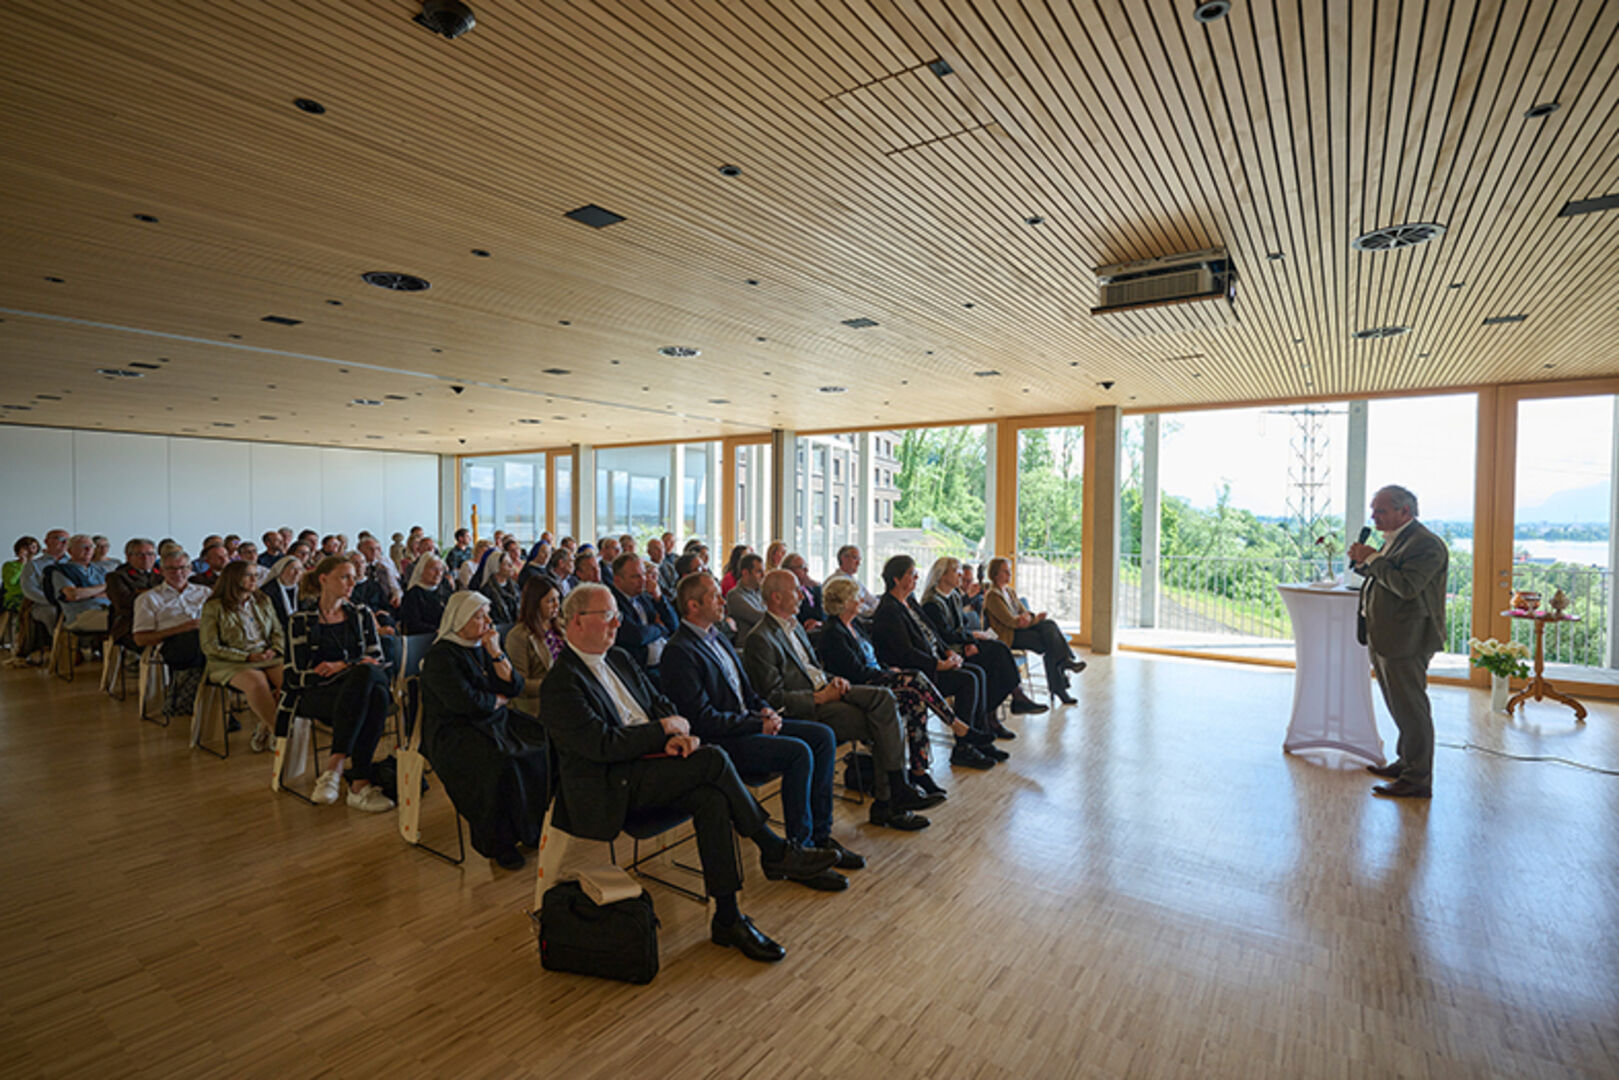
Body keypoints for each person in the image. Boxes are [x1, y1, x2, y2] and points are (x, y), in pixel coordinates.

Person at [540, 582, 837, 962]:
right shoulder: (561, 683)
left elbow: (660, 701)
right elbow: (602, 745)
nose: (617, 624)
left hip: (652, 766)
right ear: (577, 622)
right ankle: (773, 847)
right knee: (712, 760)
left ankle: (728, 918)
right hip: (611, 785)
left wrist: (675, 731)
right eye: (608, 616)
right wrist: (661, 733)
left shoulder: (619, 659)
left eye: (617, 614)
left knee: (711, 798)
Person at [662, 573, 859, 888]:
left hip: (747, 724)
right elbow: (702, 720)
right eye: (715, 596)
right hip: (723, 741)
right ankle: (800, 850)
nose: (723, 600)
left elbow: (747, 691)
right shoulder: (679, 651)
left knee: (822, 737)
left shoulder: (718, 636)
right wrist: (757, 722)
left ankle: (821, 837)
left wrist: (765, 708)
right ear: (693, 605)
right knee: (798, 752)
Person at [743, 569, 934, 829]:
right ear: (776, 597)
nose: (803, 594)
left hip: (827, 689)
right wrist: (819, 697)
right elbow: (772, 697)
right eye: (795, 590)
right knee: (883, 720)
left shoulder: (795, 626)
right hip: (811, 706)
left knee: (886, 700)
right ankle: (889, 802)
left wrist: (834, 679)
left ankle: (895, 793)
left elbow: (814, 669)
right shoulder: (760, 638)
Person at [420, 591, 549, 870]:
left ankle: (530, 828)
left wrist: (496, 652)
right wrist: (495, 701)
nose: (488, 621)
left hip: (493, 721)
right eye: (480, 616)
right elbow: (464, 702)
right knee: (498, 763)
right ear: (460, 619)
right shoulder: (441, 656)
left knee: (541, 742)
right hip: (453, 730)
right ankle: (499, 843)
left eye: (487, 614)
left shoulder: (484, 646)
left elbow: (514, 687)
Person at [820, 576, 992, 784]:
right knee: (916, 678)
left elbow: (874, 659)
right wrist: (888, 674)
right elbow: (856, 672)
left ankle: (919, 771)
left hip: (877, 678)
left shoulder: (854, 625)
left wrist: (887, 670)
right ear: (845, 602)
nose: (861, 601)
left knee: (915, 700)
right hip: (861, 688)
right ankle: (958, 727)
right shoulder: (833, 633)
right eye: (857, 598)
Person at [1348, 485, 1449, 799]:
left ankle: (1418, 779)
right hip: (1386, 633)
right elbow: (1386, 577)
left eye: (1381, 510)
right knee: (1398, 706)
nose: (1374, 516)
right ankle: (1406, 762)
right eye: (1373, 510)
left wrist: (1374, 559)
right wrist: (1366, 563)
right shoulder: (1396, 539)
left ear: (1405, 511)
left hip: (1408, 637)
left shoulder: (1427, 544)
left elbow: (1407, 586)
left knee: (1412, 709)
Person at [277, 556, 393, 810]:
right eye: (344, 577)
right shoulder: (300, 620)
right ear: (323, 579)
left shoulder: (361, 614)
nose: (352, 582)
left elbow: (377, 659)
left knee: (367, 682)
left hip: (352, 693)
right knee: (375, 693)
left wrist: (343, 667)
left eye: (353, 577)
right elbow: (294, 676)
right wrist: (351, 669)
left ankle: (335, 767)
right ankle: (358, 784)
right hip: (318, 695)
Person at [871, 554, 1010, 762]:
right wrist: (938, 664)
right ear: (896, 579)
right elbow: (905, 652)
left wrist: (947, 652)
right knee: (969, 679)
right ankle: (963, 748)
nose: (916, 577)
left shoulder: (909, 601)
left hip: (934, 661)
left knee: (978, 673)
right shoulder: (889, 610)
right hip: (918, 672)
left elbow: (933, 632)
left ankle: (979, 741)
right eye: (911, 574)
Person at [921, 556, 1043, 723]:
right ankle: (994, 712)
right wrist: (971, 638)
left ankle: (997, 709)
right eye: (956, 571)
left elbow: (962, 624)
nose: (960, 575)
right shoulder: (932, 604)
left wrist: (970, 641)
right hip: (950, 652)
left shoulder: (954, 596)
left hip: (962, 645)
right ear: (943, 576)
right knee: (994, 660)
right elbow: (945, 635)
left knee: (999, 649)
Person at [199, 561, 285, 752]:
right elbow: (210, 646)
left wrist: (275, 650)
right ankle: (278, 733)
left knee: (290, 680)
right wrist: (246, 657)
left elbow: (278, 631)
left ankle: (265, 724)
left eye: (255, 574)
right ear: (233, 579)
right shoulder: (214, 607)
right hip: (229, 661)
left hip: (265, 655)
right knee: (257, 682)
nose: (255, 579)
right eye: (248, 575)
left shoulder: (263, 600)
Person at [981, 557, 1087, 706]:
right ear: (995, 574)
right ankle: (1063, 671)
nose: (1009, 574)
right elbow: (1011, 621)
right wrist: (1032, 619)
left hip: (1019, 629)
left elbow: (1025, 612)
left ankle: (1063, 670)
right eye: (1006, 571)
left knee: (1049, 629)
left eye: (1009, 571)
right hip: (1008, 636)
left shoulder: (1009, 591)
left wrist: (1030, 618)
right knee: (1050, 641)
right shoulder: (992, 595)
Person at [506, 574, 565, 717]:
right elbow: (520, 684)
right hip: (539, 702)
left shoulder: (561, 626)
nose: (557, 605)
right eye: (551, 601)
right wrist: (555, 684)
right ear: (535, 603)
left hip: (565, 693)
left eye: (558, 599)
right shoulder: (519, 636)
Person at [610, 554, 676, 672]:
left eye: (644, 575)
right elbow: (637, 636)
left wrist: (659, 598)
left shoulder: (644, 596)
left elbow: (673, 625)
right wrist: (660, 627)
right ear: (618, 580)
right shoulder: (612, 601)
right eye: (635, 577)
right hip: (641, 669)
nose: (643, 580)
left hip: (666, 661)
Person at [105, 537, 161, 650]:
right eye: (140, 554)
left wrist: (142, 593)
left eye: (150, 554)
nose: (146, 558)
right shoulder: (117, 577)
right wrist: (156, 593)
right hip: (131, 624)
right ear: (129, 557)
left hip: (162, 620)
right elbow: (124, 602)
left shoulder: (163, 575)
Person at [50, 533, 112, 634]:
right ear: (70, 551)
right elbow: (73, 595)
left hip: (106, 610)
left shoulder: (100, 570)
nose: (88, 550)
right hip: (81, 615)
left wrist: (86, 593)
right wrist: (104, 587)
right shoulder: (60, 571)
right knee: (120, 622)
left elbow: (112, 593)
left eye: (91, 547)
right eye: (83, 547)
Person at [824, 545, 879, 619]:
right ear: (844, 559)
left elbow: (871, 599)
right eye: (855, 558)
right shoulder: (835, 582)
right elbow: (858, 607)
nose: (858, 563)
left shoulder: (855, 580)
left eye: (859, 559)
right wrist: (877, 611)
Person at [401, 555, 450, 635]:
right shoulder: (413, 595)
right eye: (433, 569)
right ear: (422, 570)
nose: (438, 573)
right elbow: (413, 624)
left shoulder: (445, 591)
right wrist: (436, 630)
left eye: (441, 569)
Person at [262, 554, 303, 648]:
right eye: (293, 569)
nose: (297, 572)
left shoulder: (304, 589)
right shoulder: (268, 591)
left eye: (300, 569)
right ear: (281, 570)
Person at [724, 552, 768, 637]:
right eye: (759, 572)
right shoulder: (734, 595)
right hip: (749, 644)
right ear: (745, 573)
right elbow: (758, 617)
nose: (763, 575)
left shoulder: (762, 592)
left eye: (764, 571)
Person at [779, 553, 824, 628]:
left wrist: (817, 587)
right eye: (802, 567)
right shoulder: (787, 592)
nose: (807, 570)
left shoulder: (810, 587)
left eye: (806, 566)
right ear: (790, 570)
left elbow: (822, 611)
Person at [479, 551, 521, 625]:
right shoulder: (487, 591)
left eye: (510, 562)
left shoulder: (514, 586)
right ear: (496, 567)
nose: (511, 566)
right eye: (506, 564)